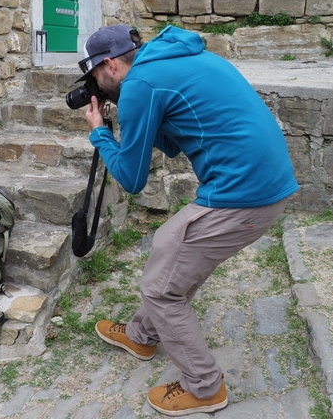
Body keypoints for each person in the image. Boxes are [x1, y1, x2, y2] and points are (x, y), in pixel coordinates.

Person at [78, 24, 298, 416]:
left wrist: (100, 133)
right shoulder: (170, 60)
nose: (95, 86)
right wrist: (136, 117)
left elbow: (131, 179)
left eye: (95, 76)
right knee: (172, 261)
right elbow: (177, 140)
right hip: (265, 182)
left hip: (242, 193)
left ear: (109, 65)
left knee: (162, 285)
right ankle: (141, 335)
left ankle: (204, 387)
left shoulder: (142, 83)